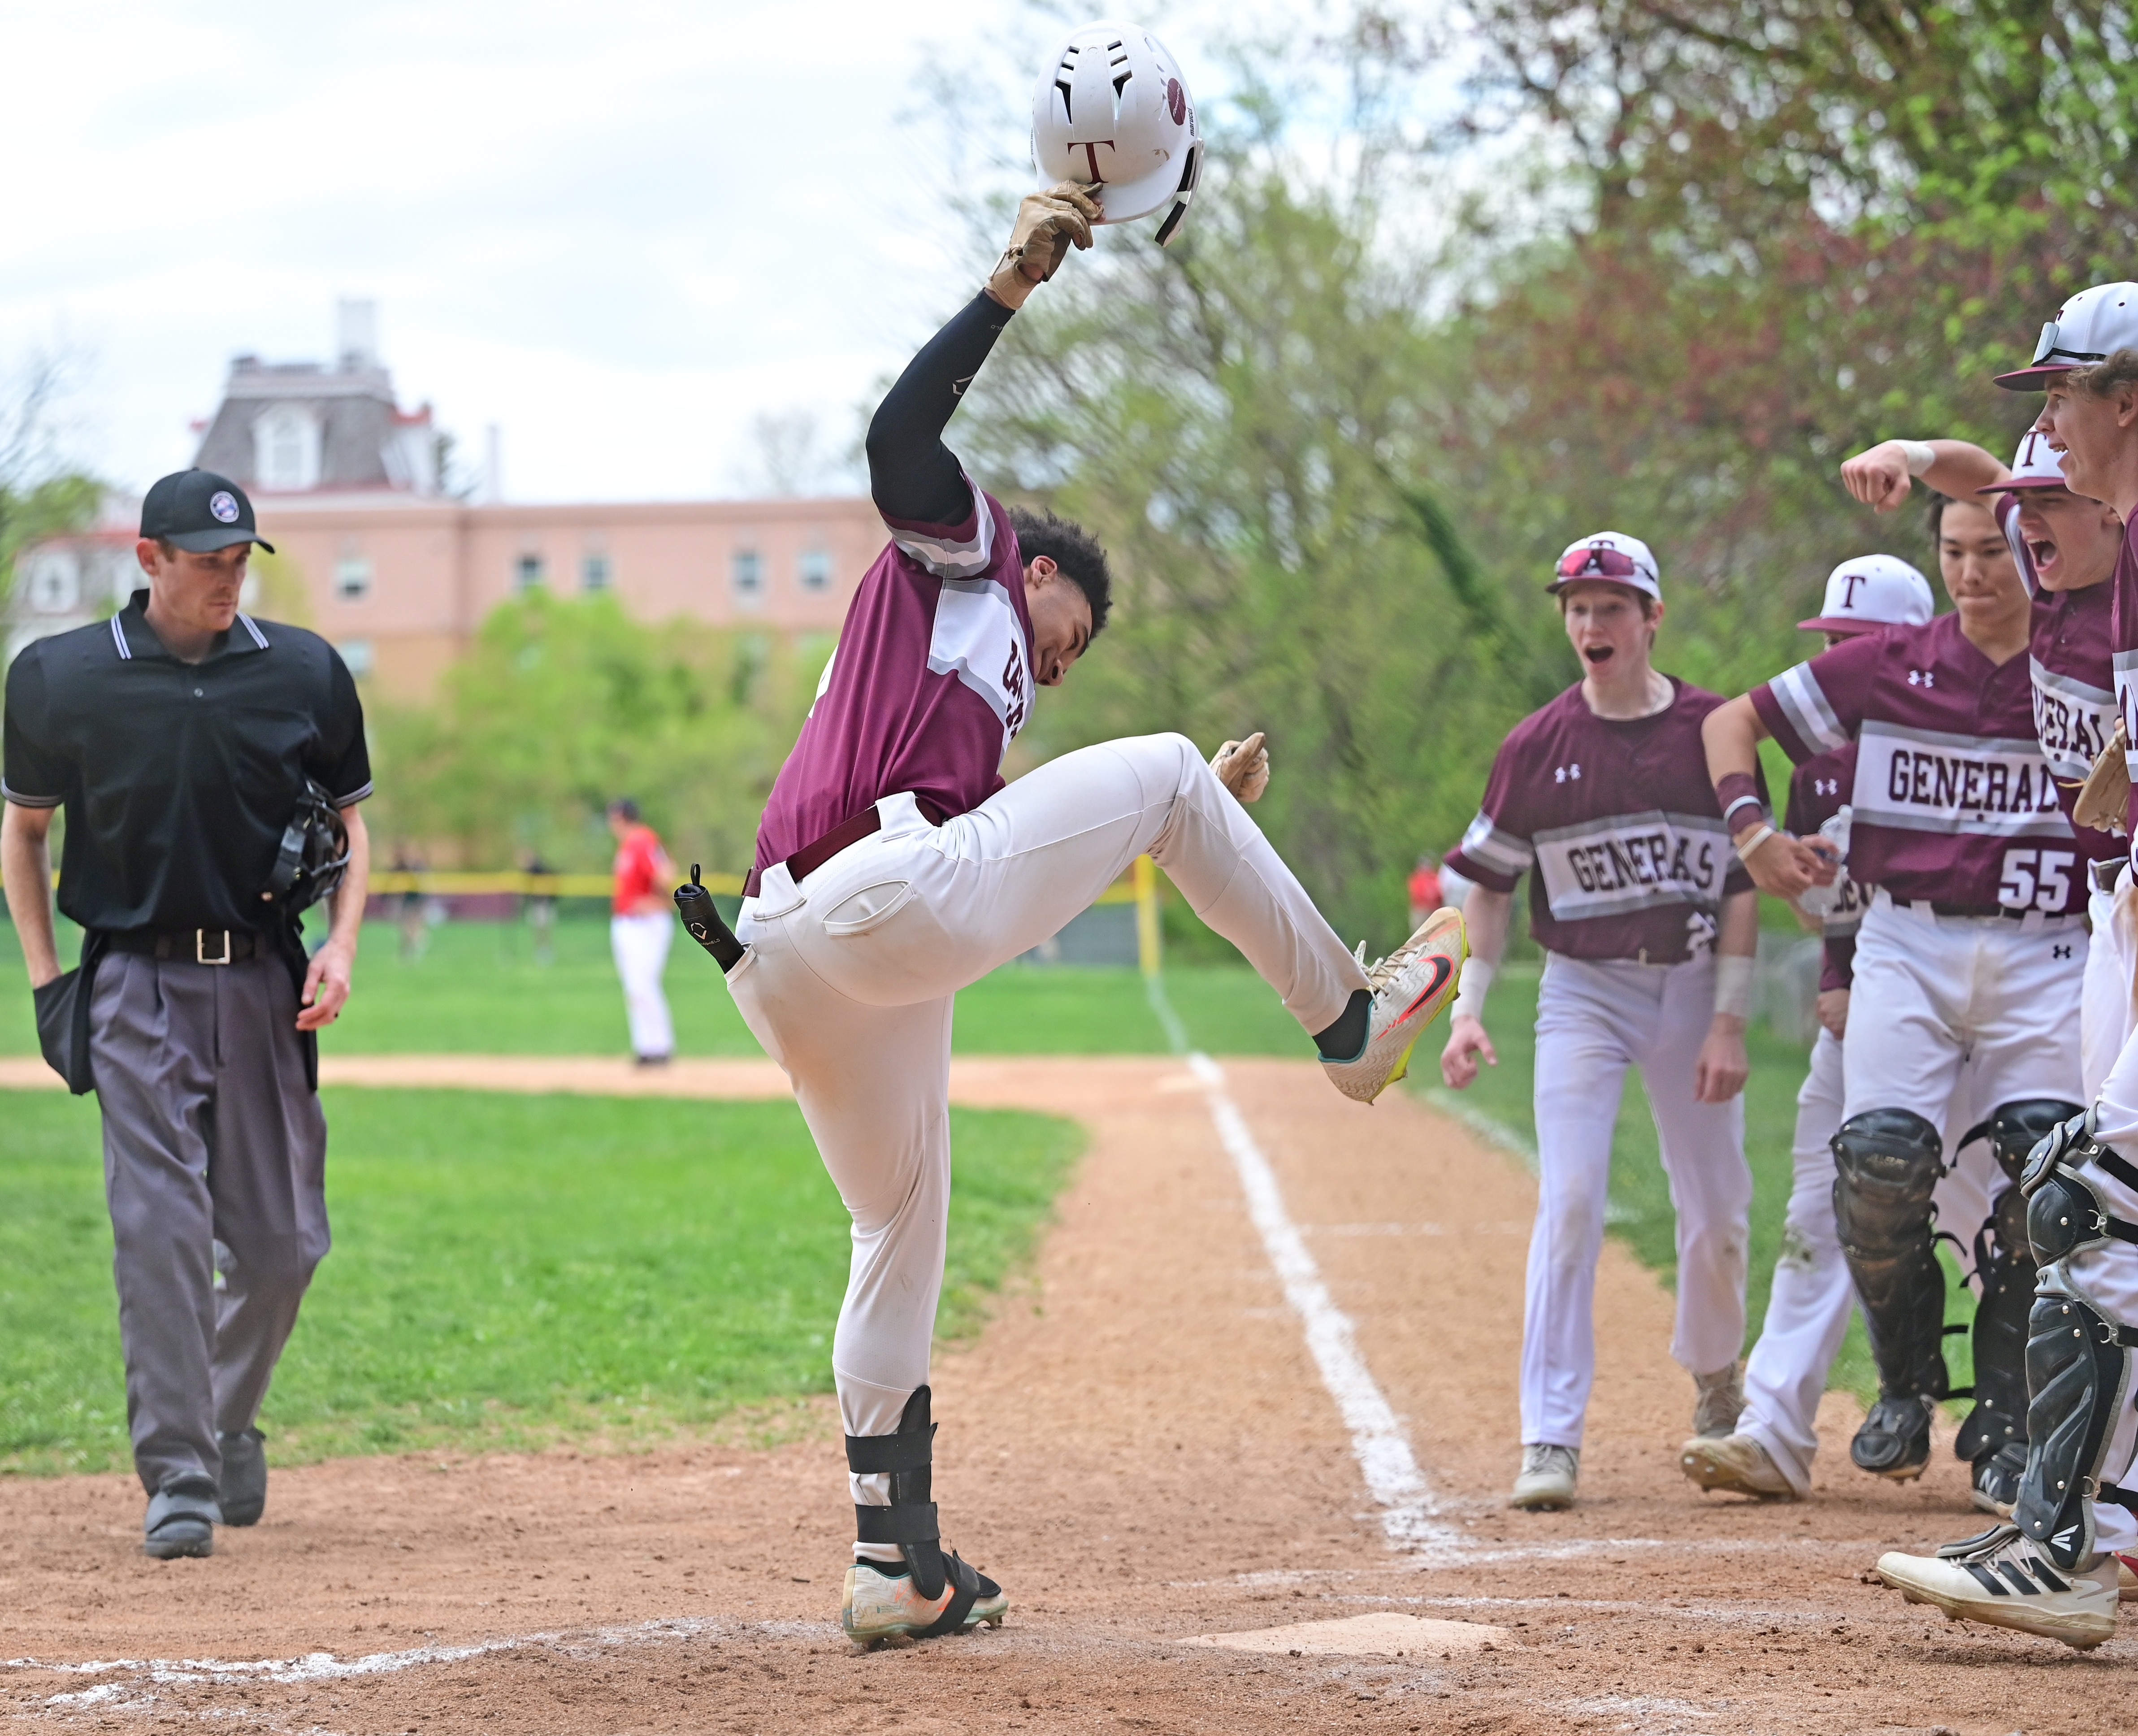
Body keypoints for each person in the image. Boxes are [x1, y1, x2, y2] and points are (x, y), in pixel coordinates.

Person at [716, 181, 1464, 1646]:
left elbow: (988, 814)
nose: (1053, 664)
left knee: (897, 1229)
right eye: (1065, 638)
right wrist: (1006, 285)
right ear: (1041, 571)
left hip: (788, 949)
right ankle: (1348, 1018)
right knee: (1172, 775)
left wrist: (1182, 809)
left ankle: (893, 1561)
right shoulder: (975, 549)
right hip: (872, 899)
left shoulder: (961, 674)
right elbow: (893, 448)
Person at [0, 469, 373, 1559]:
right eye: (206, 561)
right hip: (131, 984)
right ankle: (178, 1476)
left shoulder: (302, 670)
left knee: (282, 1246)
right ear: (149, 561)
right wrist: (45, 978)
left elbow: (354, 828)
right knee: (157, 1233)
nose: (228, 578)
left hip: (264, 981)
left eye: (240, 559)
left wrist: (343, 944)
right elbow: (23, 832)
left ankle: (221, 1414)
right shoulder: (61, 678)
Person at [1702, 484, 2087, 1513]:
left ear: (2030, 556)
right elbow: (1735, 722)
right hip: (1906, 941)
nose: (1972, 573)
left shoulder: (2070, 661)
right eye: (1953, 552)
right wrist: (1753, 836)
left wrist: (1922, 456)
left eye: (1991, 553)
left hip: (2045, 948)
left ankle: (2005, 1427)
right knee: (1874, 1170)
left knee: (2043, 1188)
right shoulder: (1889, 670)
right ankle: (1906, 1387)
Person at [1870, 280, 2138, 1645]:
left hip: (2110, 922)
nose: (2039, 438)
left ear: (2124, 406)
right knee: (2099, 1206)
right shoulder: (2099, 553)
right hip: (2113, 919)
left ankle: (2066, 1541)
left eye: (2058, 395)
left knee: (2090, 1205)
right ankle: (2089, 1528)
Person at [1437, 532, 1759, 1512]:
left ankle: (1715, 1379)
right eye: (1576, 608)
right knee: (1569, 1200)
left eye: (1610, 606)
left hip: (1694, 983)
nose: (1589, 624)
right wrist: (1466, 1010)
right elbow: (1488, 889)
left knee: (1714, 1212)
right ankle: (1549, 1433)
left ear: (1651, 618)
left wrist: (1729, 1024)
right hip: (1581, 989)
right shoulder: (1535, 746)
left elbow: (1744, 885)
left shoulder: (1712, 730)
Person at [1681, 557, 2007, 1503]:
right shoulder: (1816, 766)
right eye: (1829, 645)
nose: (1838, 663)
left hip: (1974, 1019)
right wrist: (1834, 971)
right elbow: (1814, 895)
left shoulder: (1964, 733)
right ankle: (1773, 1428)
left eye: (1856, 645)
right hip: (1859, 1017)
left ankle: (2015, 1436)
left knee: (1992, 1223)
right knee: (1818, 1210)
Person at [607, 799, 678, 1065]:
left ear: (620, 817)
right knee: (635, 987)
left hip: (646, 924)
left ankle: (660, 1046)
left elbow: (665, 874)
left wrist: (660, 901)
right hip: (628, 923)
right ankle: (646, 1047)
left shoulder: (642, 840)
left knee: (644, 984)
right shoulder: (629, 844)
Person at [1407, 853, 1444, 930]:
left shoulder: (1435, 877)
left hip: (1435, 911)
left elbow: (1440, 892)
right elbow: (1417, 895)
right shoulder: (1417, 879)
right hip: (1422, 912)